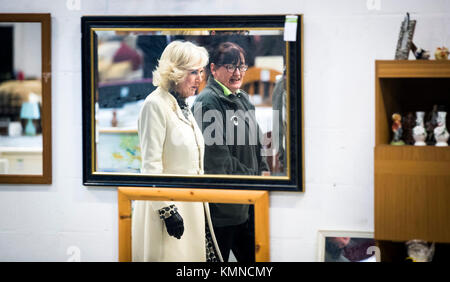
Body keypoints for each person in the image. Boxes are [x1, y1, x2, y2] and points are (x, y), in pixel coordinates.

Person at [131, 40, 222, 262]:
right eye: (193, 72)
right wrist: (167, 211)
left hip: (192, 205)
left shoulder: (182, 104)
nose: (200, 79)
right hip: (168, 210)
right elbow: (150, 166)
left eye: (201, 71)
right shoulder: (155, 105)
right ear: (175, 72)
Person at [192, 42, 269, 262]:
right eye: (230, 66)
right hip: (223, 212)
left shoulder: (242, 98)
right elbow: (218, 161)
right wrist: (255, 179)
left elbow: (257, 145)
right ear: (214, 69)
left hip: (249, 204)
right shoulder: (207, 103)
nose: (237, 73)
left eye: (241, 66)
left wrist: (263, 173)